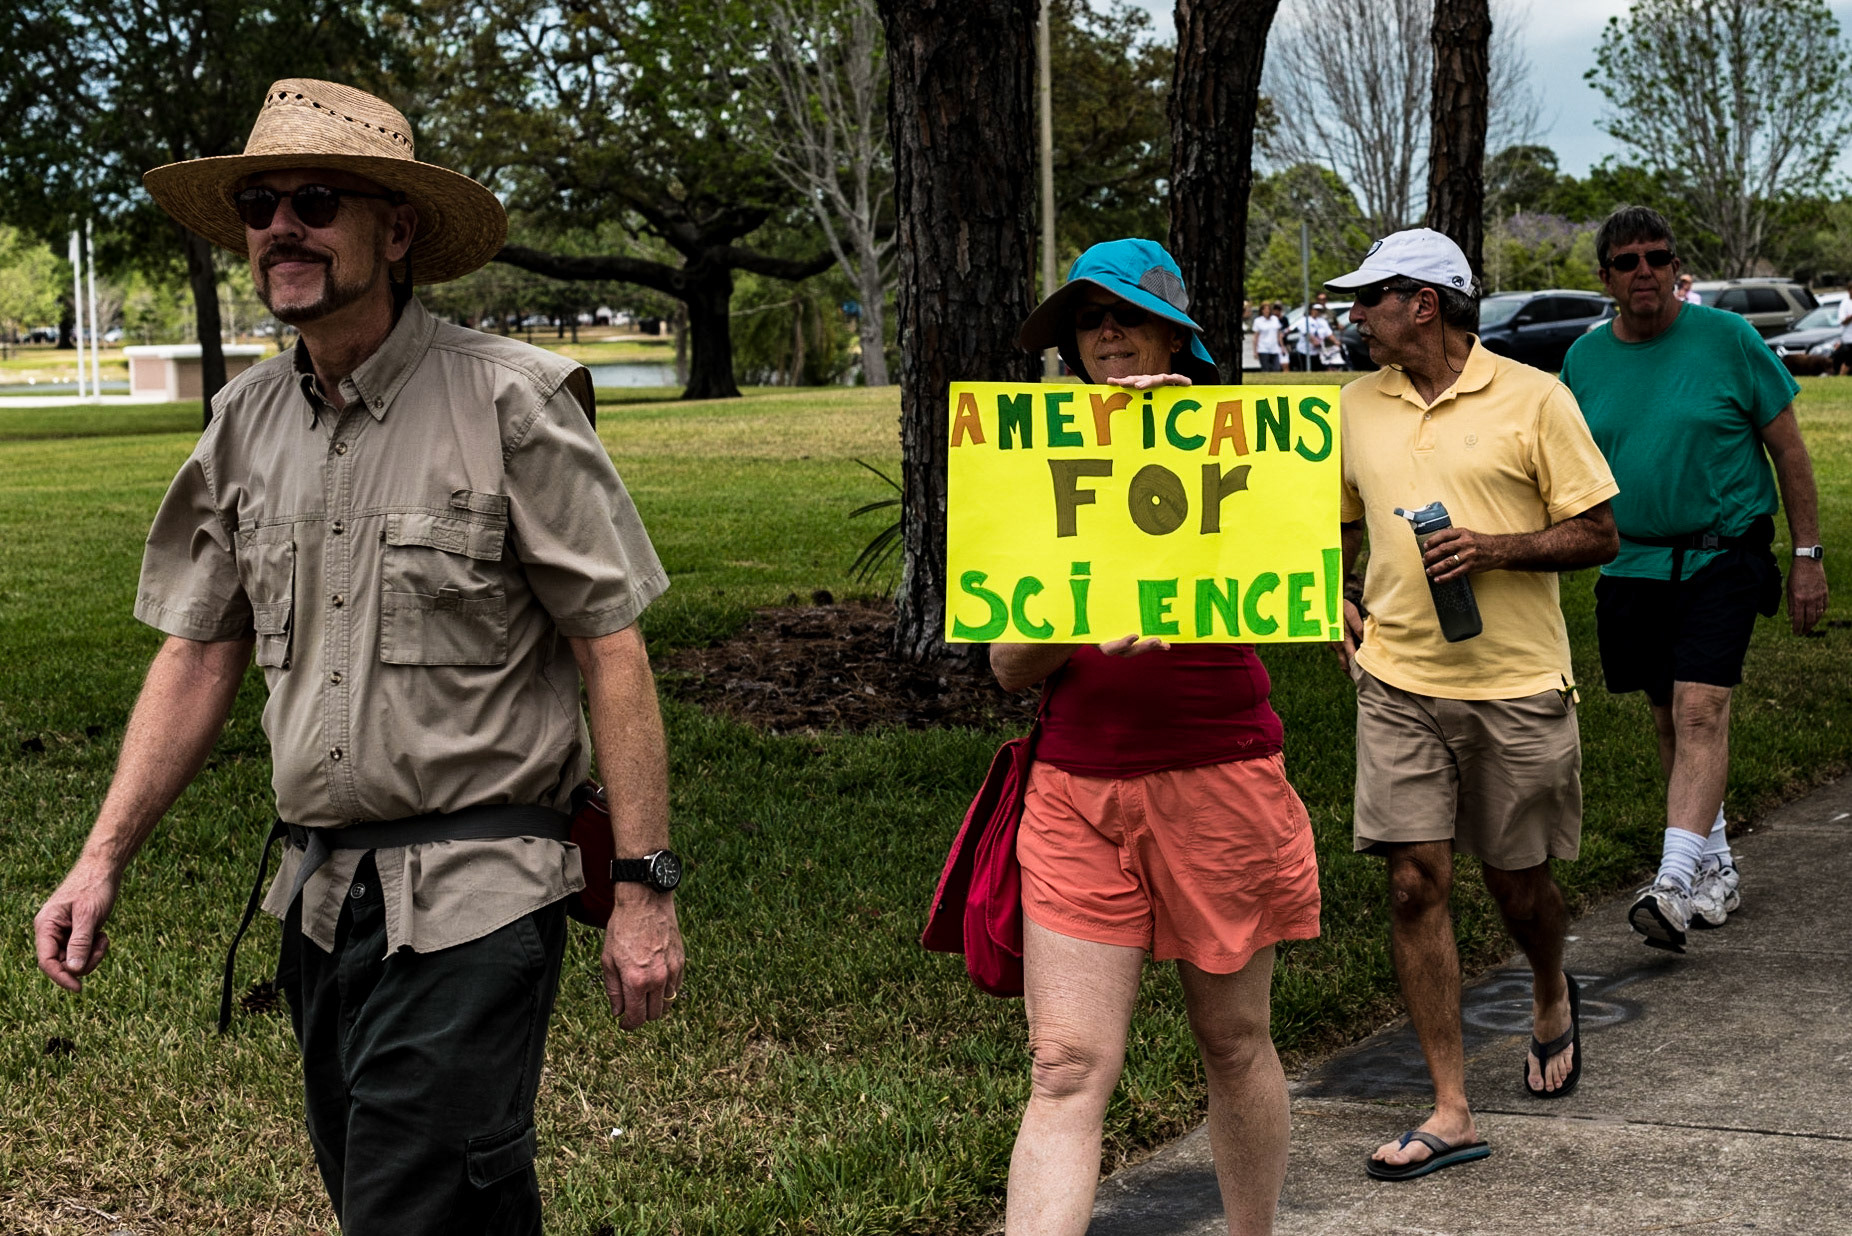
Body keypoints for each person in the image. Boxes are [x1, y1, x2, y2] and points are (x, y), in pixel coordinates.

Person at [32, 79, 685, 1234]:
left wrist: (642, 889)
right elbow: (196, 655)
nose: (284, 224)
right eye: (262, 202)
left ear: (396, 232)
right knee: (427, 1201)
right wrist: (100, 860)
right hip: (320, 902)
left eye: (318, 200)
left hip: (479, 894)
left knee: (406, 1207)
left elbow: (612, 648)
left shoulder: (513, 403)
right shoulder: (242, 423)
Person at [1006, 238, 1322, 1235]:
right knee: (1062, 1067)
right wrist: (1070, 622)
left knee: (1232, 1043)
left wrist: (1171, 446)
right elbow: (1007, 667)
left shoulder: (1242, 448)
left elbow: (1294, 579)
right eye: (1084, 320)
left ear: (1175, 333)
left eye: (1124, 314)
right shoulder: (1033, 459)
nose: (1103, 333)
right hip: (1076, 791)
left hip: (1220, 779)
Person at [1328, 228, 1620, 1179]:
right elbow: (1330, 524)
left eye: (1370, 298)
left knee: (1517, 882)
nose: (1354, 315)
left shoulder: (1535, 398)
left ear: (1425, 302)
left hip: (1517, 685)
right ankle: (1449, 1106)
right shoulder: (1354, 406)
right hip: (1399, 681)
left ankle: (1547, 986)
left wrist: (1495, 548)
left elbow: (1598, 533)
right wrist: (1336, 597)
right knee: (1414, 882)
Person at [1560, 206, 1828, 950]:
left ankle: (1673, 883)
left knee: (1701, 710)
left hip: (1724, 553)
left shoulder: (1730, 340)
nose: (1645, 271)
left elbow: (1792, 453)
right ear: (1605, 277)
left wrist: (1807, 556)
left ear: (1678, 267)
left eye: (1658, 257)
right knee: (1665, 715)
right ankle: (1717, 866)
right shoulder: (1584, 361)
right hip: (1632, 561)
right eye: (1628, 261)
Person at [1296, 303, 1333, 372]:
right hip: (1305, 351)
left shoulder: (1322, 321)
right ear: (1310, 310)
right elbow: (1306, 333)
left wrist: (1337, 343)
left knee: (1318, 370)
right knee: (1306, 370)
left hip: (1317, 352)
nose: (1317, 311)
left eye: (1319, 310)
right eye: (1316, 309)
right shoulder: (1304, 320)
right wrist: (1314, 342)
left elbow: (1329, 333)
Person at [1253, 301, 1285, 372]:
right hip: (1263, 348)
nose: (1267, 311)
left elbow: (1279, 334)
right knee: (1266, 369)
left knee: (1276, 368)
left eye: (1268, 309)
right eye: (1265, 309)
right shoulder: (1258, 321)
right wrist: (1255, 351)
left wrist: (1282, 347)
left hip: (1274, 348)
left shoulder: (1275, 319)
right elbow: (1256, 337)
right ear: (1262, 311)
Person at [1835, 282, 1852, 376]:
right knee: (1848, 360)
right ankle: (1841, 376)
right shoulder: (1845, 303)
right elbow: (1842, 321)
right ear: (1849, 290)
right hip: (1848, 338)